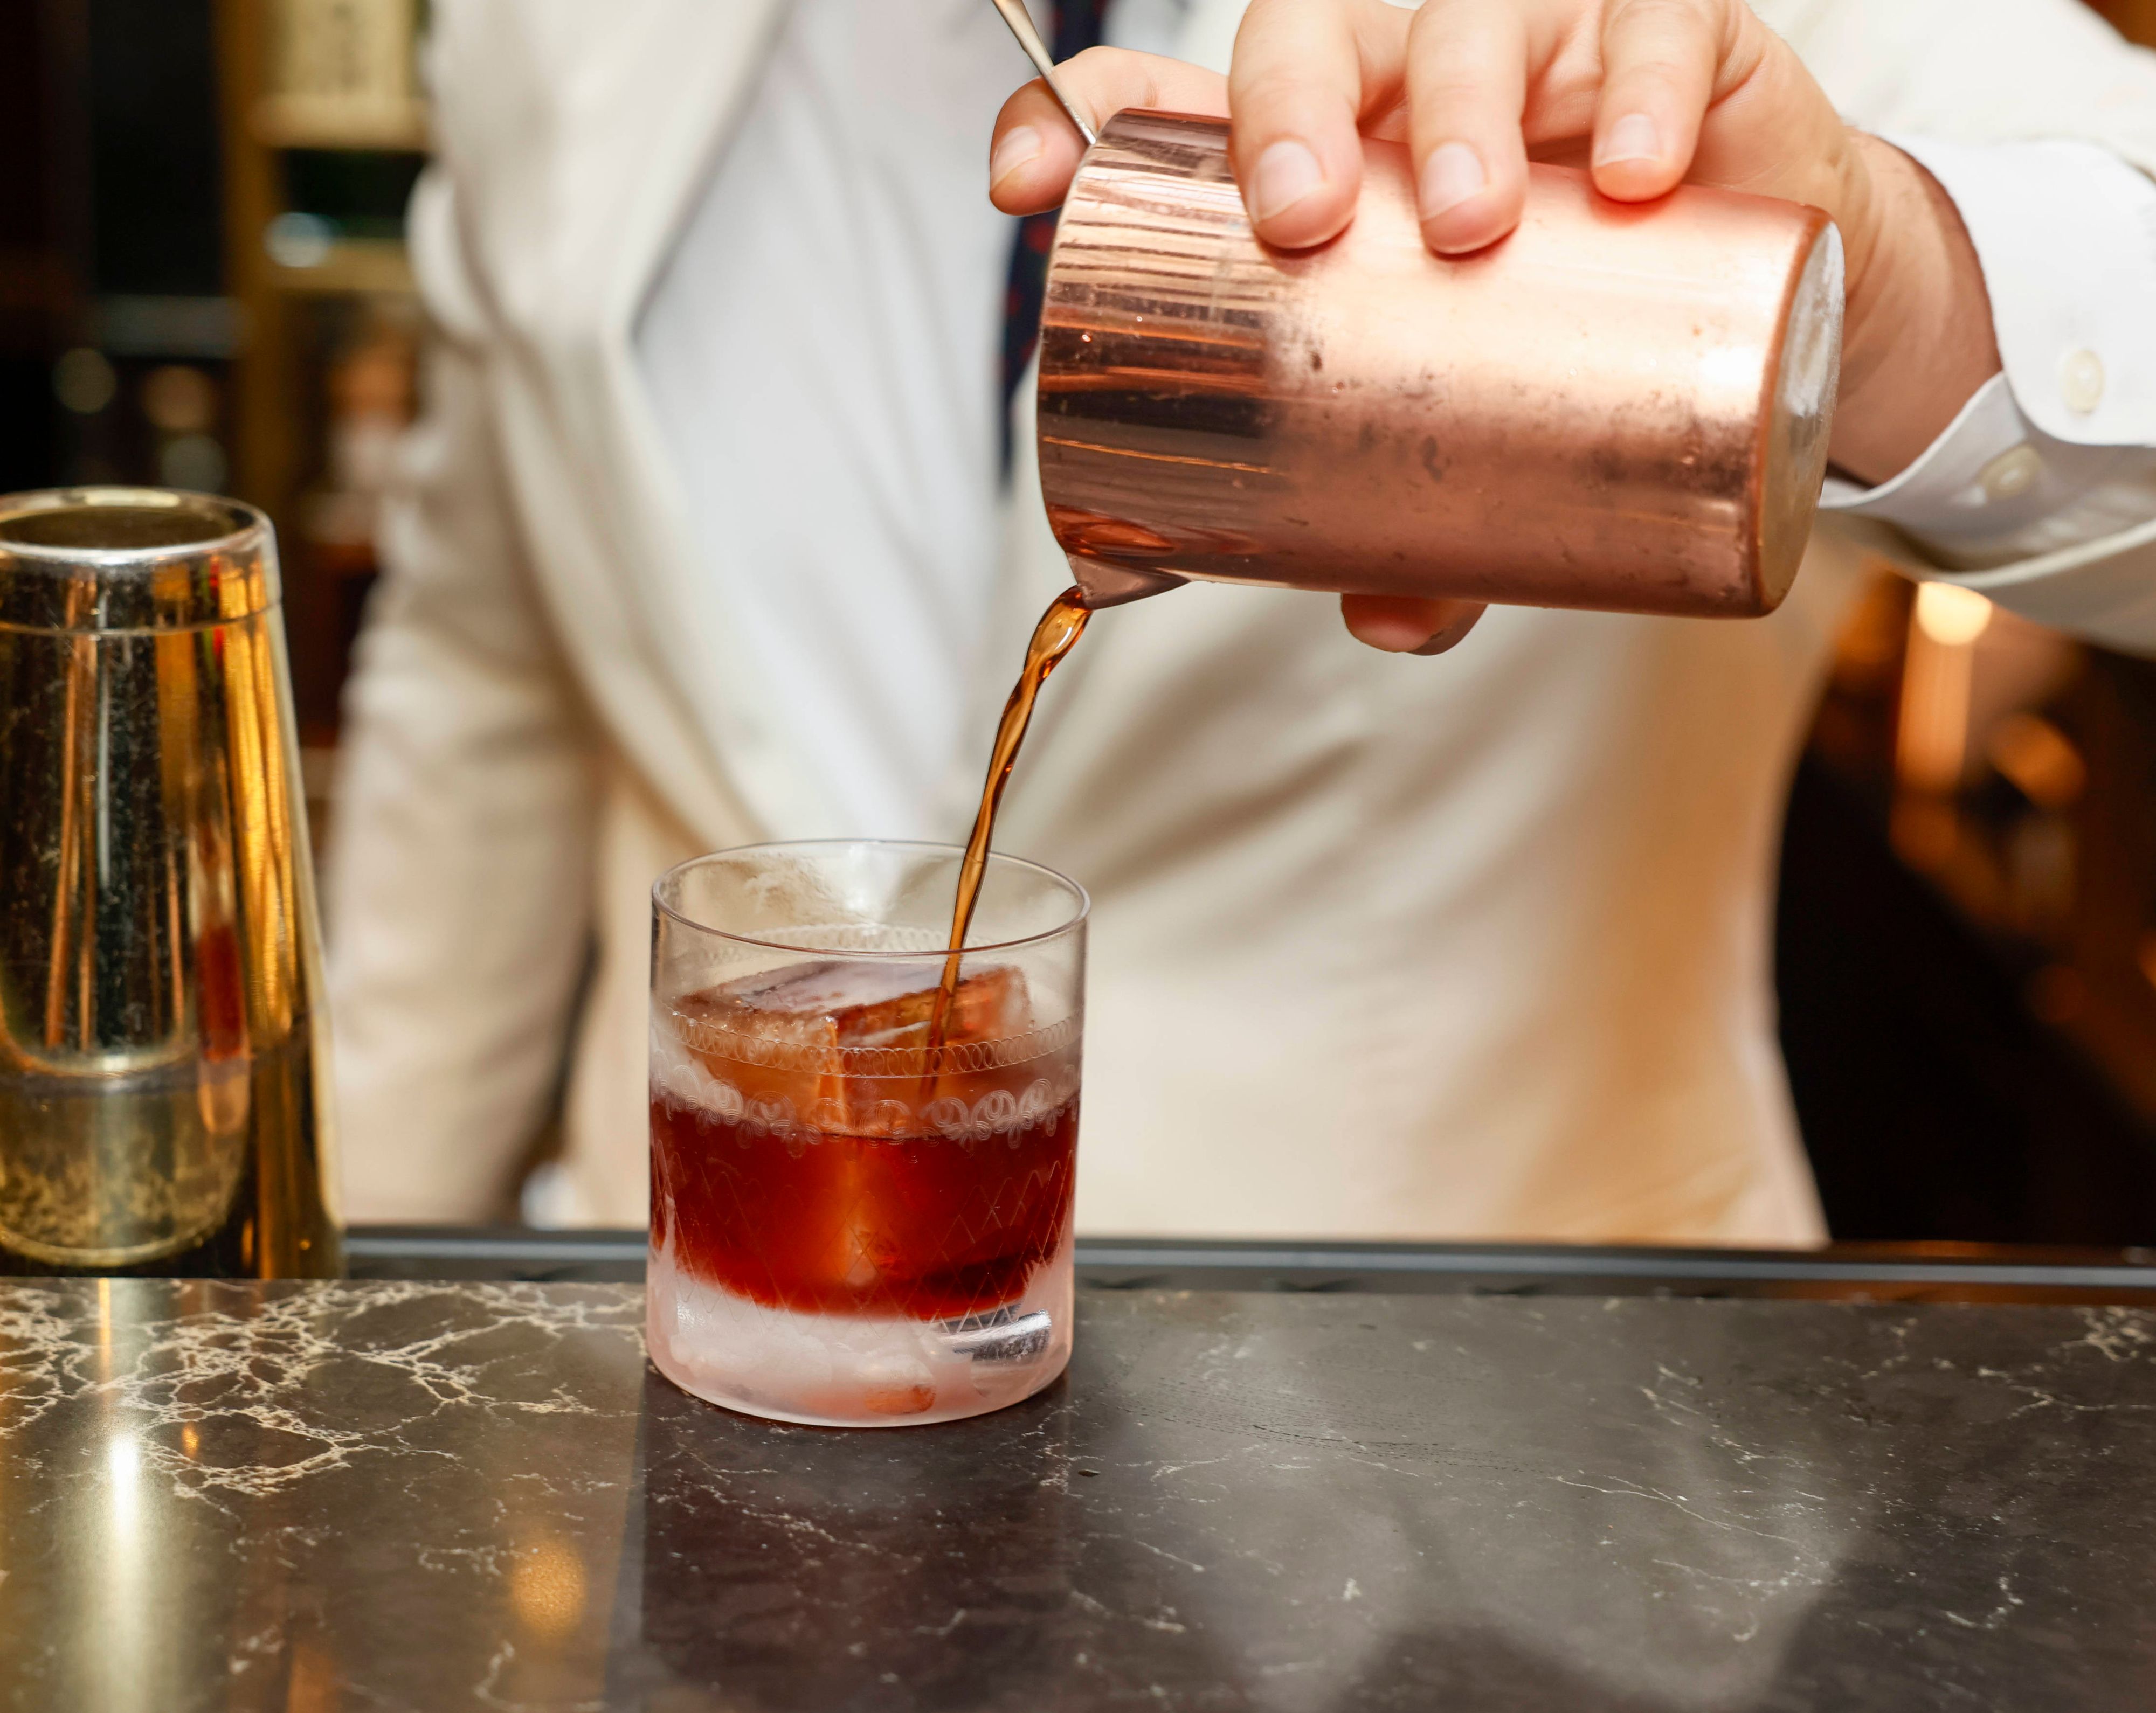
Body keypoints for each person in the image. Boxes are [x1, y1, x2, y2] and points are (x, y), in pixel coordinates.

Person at [327, 0, 2156, 1243]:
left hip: (1483, 1501)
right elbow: (489, 672)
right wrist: (318, 1358)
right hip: (714, 1404)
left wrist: (1888, 285)